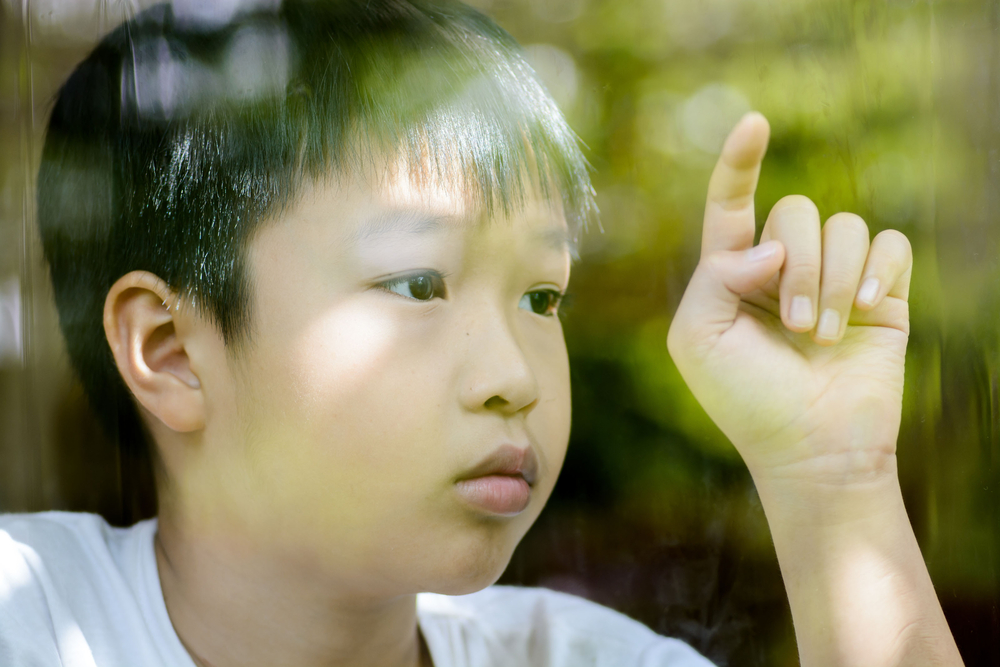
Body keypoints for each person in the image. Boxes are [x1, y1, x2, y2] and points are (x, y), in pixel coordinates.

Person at [0, 1, 964, 666]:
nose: (516, 377)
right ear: (169, 348)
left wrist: (833, 485)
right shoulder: (29, 616)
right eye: (419, 282)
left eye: (544, 297)